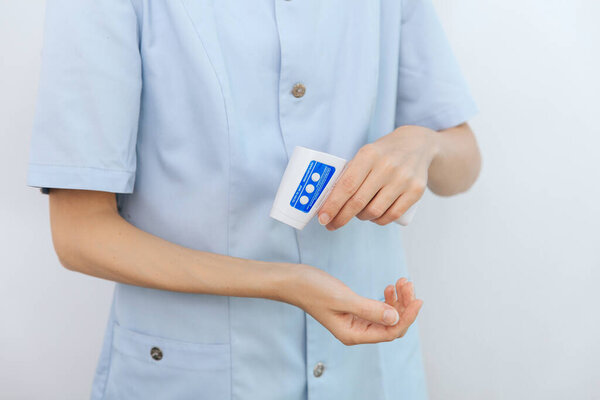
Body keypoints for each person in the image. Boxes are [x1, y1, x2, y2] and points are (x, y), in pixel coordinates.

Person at [26, 0, 481, 399]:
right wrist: (284, 283)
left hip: (370, 373)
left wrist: (423, 145)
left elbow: (464, 158)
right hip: (195, 377)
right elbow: (79, 234)